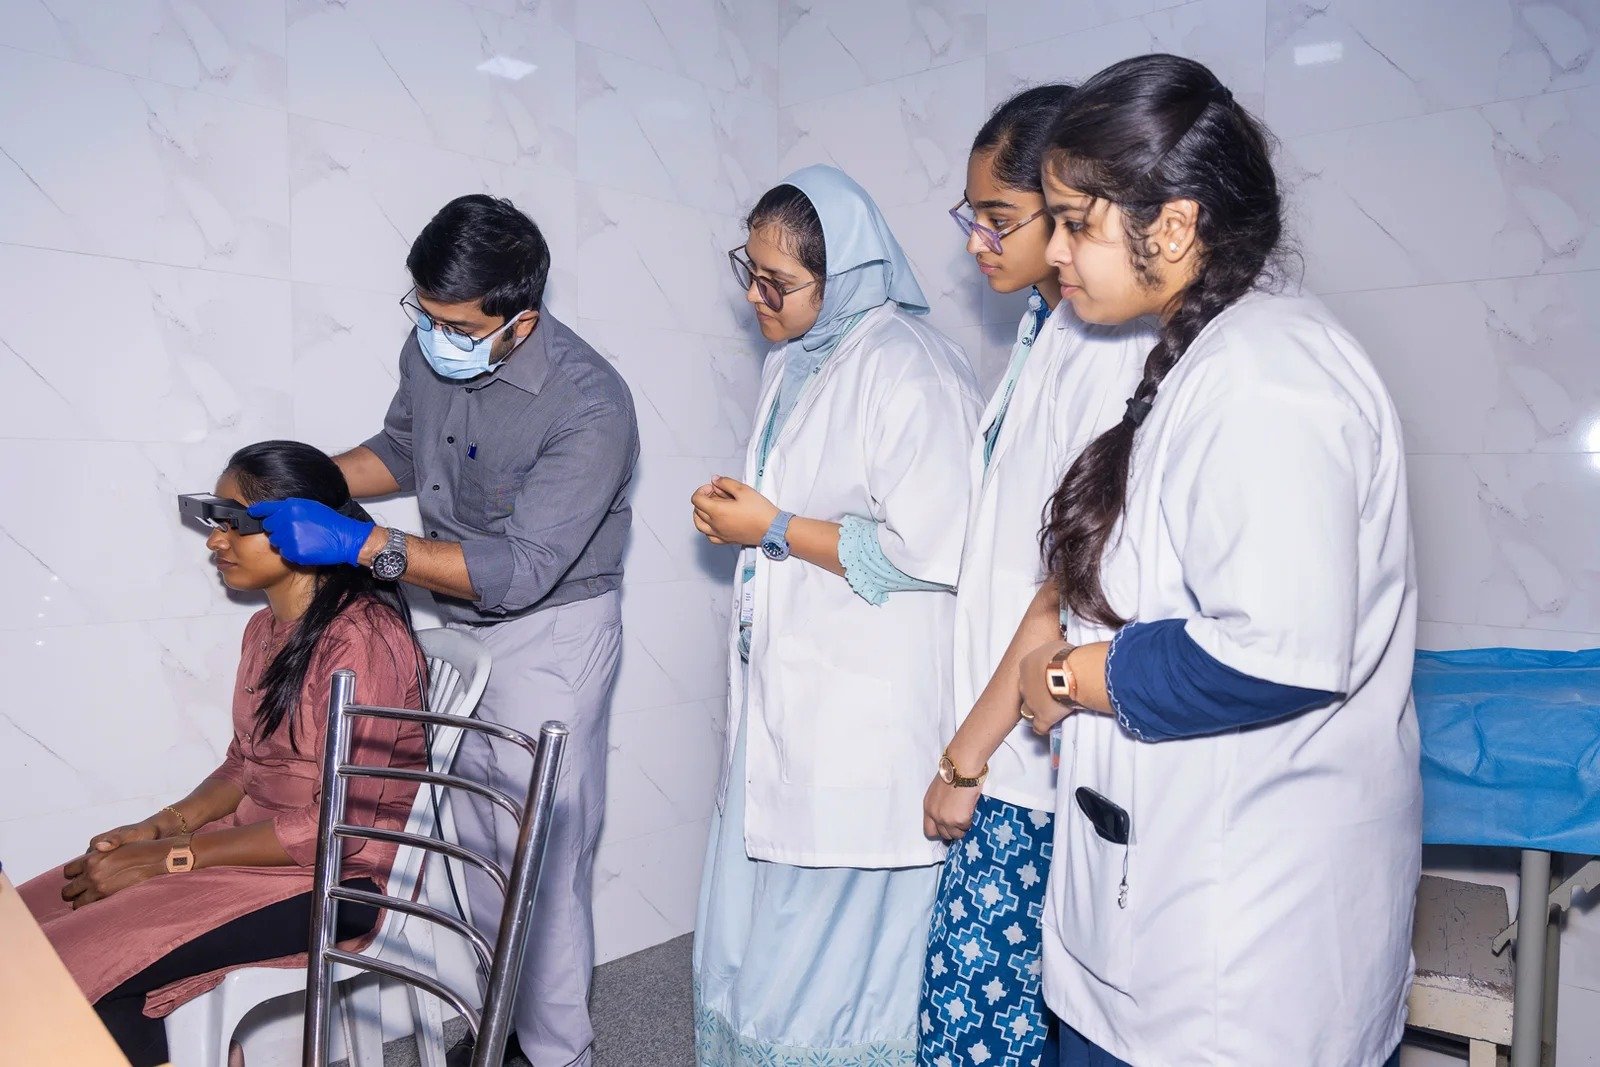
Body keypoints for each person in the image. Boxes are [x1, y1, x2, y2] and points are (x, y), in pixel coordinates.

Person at [1008, 55, 1419, 1067]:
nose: (1055, 248)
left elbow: (1275, 648)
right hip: (1158, 917)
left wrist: (1069, 675)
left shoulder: (1267, 373)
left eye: (1075, 219)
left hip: (1234, 966)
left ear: (1176, 223)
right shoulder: (1206, 354)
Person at [250, 194, 638, 1067]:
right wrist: (302, 485)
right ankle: (500, 1028)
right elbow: (398, 448)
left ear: (519, 319)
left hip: (552, 634)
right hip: (456, 622)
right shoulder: (433, 351)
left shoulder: (590, 405)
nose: (434, 335)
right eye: (423, 315)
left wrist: (366, 543)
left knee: (539, 857)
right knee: (467, 845)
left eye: (455, 324)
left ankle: (557, 1054)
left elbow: (521, 567)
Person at [689, 164, 981, 1065]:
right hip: (793, 701)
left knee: (830, 966)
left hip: (866, 718)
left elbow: (934, 549)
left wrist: (770, 526)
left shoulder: (909, 367)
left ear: (845, 275)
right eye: (752, 269)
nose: (756, 295)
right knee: (753, 940)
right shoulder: (793, 362)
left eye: (779, 282)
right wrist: (756, 519)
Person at [17, 441, 426, 1067]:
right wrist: (157, 829)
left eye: (235, 522)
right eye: (216, 519)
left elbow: (338, 828)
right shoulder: (264, 631)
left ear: (302, 527)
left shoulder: (362, 641)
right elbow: (244, 764)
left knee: (83, 966)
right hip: (255, 852)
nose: (215, 540)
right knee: (31, 928)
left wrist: (173, 859)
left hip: (339, 879)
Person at [918, 85, 1155, 1067]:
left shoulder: (1113, 349)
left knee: (987, 1029)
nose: (978, 237)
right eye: (971, 214)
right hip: (1012, 745)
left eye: (999, 217)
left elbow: (1064, 578)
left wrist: (967, 756)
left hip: (1036, 761)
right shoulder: (1047, 336)